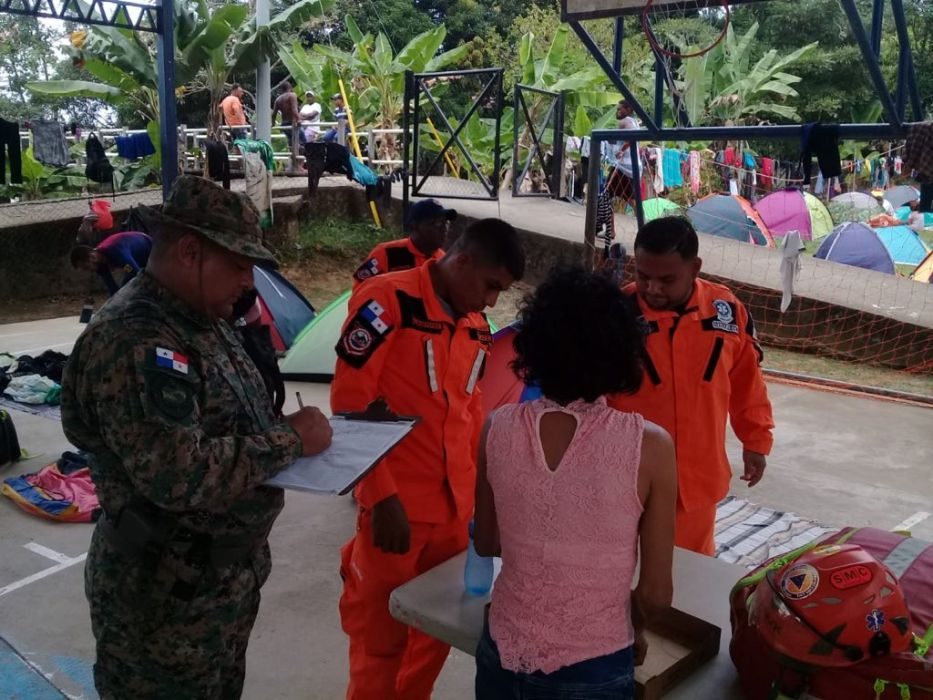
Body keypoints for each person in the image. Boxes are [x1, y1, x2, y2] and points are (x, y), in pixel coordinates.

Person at [60, 175, 333, 699]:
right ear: (190, 251)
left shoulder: (204, 320)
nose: (248, 281)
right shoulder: (135, 338)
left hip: (215, 591)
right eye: (239, 264)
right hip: (162, 608)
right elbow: (177, 474)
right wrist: (290, 441)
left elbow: (234, 424)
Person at [332, 218, 526, 700]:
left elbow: (471, 411)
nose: (492, 301)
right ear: (461, 262)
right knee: (380, 641)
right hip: (397, 511)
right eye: (490, 286)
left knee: (433, 636)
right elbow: (350, 403)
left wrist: (483, 499)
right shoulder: (386, 302)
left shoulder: (477, 327)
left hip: (454, 514)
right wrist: (382, 498)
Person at [473, 267, 677, 700]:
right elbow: (657, 595)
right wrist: (632, 628)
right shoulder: (650, 446)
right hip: (595, 664)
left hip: (501, 653)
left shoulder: (498, 427)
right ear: (622, 351)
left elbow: (487, 542)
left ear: (535, 345)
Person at [608, 217, 775, 556]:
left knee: (689, 583)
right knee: (622, 579)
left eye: (667, 279)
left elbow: (746, 381)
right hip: (626, 483)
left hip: (697, 482)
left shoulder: (726, 312)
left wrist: (756, 439)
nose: (652, 288)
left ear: (695, 267)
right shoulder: (615, 316)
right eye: (643, 276)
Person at [352, 199, 456, 286]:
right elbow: (361, 286)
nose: (444, 228)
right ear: (415, 225)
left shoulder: (443, 261)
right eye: (437, 222)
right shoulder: (387, 254)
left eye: (446, 222)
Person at [70, 230, 152, 296]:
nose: (88, 271)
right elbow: (111, 287)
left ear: (92, 257)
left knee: (131, 282)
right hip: (134, 259)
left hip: (149, 248)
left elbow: (135, 272)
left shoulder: (116, 252)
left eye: (86, 267)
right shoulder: (100, 265)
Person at [605, 100, 639, 208]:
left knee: (607, 192)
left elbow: (630, 137)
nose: (618, 111)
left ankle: (598, 217)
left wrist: (622, 150)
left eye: (620, 109)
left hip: (624, 166)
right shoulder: (635, 122)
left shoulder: (625, 121)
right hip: (633, 165)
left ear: (628, 110)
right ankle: (642, 220)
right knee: (630, 197)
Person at [272, 81, 301, 173]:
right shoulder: (292, 95)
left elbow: (273, 114)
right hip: (292, 124)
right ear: (290, 87)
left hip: (284, 124)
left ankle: (294, 165)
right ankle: (298, 166)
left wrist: (273, 124)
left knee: (291, 145)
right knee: (299, 144)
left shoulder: (278, 99)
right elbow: (294, 109)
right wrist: (298, 119)